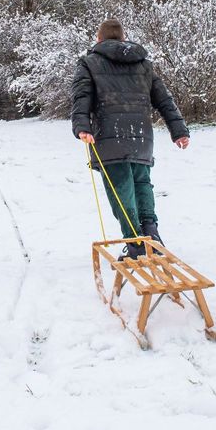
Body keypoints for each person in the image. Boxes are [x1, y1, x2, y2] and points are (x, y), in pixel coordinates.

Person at [71, 18, 189, 259]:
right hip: (140, 136)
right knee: (142, 184)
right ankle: (151, 234)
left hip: (108, 137)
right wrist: (179, 130)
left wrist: (83, 126)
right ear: (123, 38)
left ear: (99, 39)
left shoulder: (89, 63)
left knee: (120, 190)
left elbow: (81, 96)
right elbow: (164, 99)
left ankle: (136, 244)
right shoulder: (143, 64)